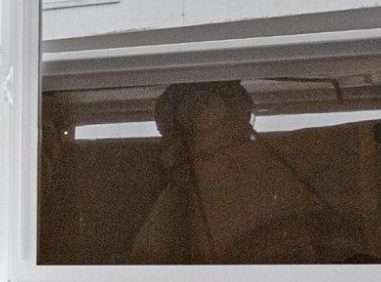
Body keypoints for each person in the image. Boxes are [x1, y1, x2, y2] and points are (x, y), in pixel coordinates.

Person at [123, 79, 332, 265]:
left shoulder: (273, 184)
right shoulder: (176, 197)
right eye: (193, 107)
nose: (202, 109)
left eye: (207, 103)